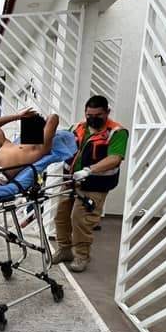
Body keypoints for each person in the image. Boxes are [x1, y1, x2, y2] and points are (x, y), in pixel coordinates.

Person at [53, 95, 128, 273]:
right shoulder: (78, 127)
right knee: (61, 217)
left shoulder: (116, 132)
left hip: (96, 185)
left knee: (80, 220)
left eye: (98, 115)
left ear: (107, 112)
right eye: (89, 114)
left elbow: (115, 158)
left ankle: (81, 256)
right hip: (71, 181)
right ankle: (65, 250)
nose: (92, 118)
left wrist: (89, 170)